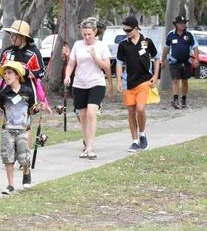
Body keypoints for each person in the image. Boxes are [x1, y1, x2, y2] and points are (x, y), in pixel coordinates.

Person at [64, 18, 113, 158]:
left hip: (96, 83)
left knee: (92, 112)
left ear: (95, 32)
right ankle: (86, 143)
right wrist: (67, 76)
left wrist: (95, 57)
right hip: (79, 84)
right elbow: (71, 64)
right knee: (83, 115)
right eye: (84, 34)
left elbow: (107, 67)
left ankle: (91, 147)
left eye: (89, 34)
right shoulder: (77, 45)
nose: (86, 37)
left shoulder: (101, 46)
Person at [0, 60, 36, 194]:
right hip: (7, 129)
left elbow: (32, 110)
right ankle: (10, 185)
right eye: (5, 74)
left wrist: (39, 108)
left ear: (17, 75)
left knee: (23, 155)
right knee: (8, 156)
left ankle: (26, 172)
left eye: (9, 73)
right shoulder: (3, 94)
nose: (6, 76)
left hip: (23, 129)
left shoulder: (27, 92)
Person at [116, 16, 160, 152]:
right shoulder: (123, 45)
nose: (126, 33)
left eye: (128, 30)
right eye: (124, 30)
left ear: (136, 28)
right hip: (128, 82)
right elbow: (119, 63)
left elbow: (157, 58)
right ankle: (135, 141)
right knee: (131, 111)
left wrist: (156, 75)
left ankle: (142, 133)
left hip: (144, 81)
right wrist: (118, 80)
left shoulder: (146, 42)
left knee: (140, 109)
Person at [162, 16, 199, 109]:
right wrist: (163, 60)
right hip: (174, 61)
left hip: (186, 61)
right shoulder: (170, 34)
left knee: (185, 81)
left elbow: (195, 47)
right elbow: (166, 48)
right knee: (175, 80)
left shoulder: (189, 34)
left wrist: (196, 59)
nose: (183, 25)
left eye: (184, 23)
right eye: (180, 23)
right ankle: (175, 100)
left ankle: (184, 99)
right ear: (176, 25)